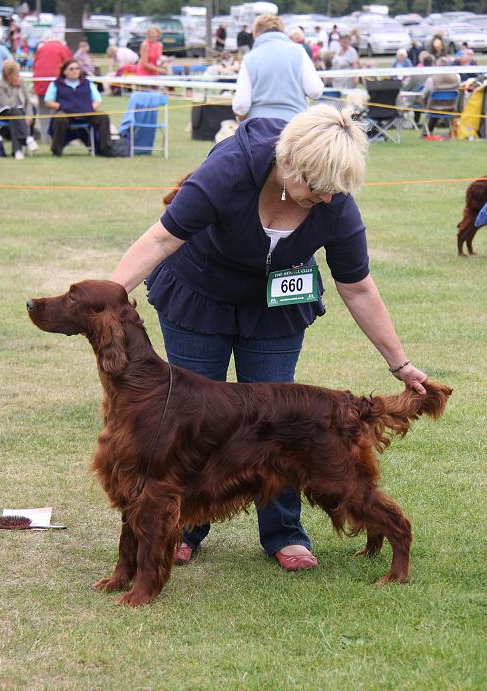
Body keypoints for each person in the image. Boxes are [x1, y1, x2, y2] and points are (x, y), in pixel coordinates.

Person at [110, 105, 429, 570]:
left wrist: (399, 363)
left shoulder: (334, 203)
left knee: (281, 425)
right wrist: (109, 303)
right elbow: (160, 241)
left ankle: (283, 531)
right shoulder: (230, 168)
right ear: (291, 167)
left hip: (276, 308)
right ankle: (182, 528)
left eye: (334, 192)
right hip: (200, 293)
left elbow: (357, 286)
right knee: (189, 423)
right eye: (317, 189)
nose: (326, 200)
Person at [232, 14, 324, 122]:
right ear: (282, 31)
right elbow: (315, 91)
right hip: (295, 126)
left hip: (259, 127)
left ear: (255, 33)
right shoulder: (299, 52)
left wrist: (239, 116)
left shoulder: (249, 59)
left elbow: (242, 105)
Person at [44, 59, 112, 157]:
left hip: (86, 114)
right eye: (71, 69)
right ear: (64, 71)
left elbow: (97, 100)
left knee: (103, 116)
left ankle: (104, 149)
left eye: (77, 68)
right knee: (59, 117)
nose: (75, 71)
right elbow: (48, 102)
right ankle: (57, 150)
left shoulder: (87, 83)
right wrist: (62, 106)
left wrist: (89, 109)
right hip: (67, 115)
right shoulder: (56, 84)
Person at [0, 59, 36, 159]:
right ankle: (27, 138)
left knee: (16, 116)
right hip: (1, 112)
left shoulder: (21, 81)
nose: (18, 75)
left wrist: (29, 115)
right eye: (15, 73)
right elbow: (8, 104)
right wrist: (15, 88)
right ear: (7, 74)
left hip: (18, 113)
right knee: (14, 112)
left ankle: (17, 150)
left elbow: (27, 102)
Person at [33, 36, 72, 144]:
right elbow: (70, 65)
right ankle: (59, 138)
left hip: (40, 83)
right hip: (57, 84)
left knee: (43, 112)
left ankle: (45, 139)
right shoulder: (63, 48)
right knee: (59, 111)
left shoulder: (40, 49)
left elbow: (35, 65)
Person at [422, 55, 461, 135]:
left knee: (429, 102)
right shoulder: (457, 77)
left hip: (433, 107)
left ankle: (427, 131)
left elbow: (424, 93)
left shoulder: (432, 78)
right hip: (451, 107)